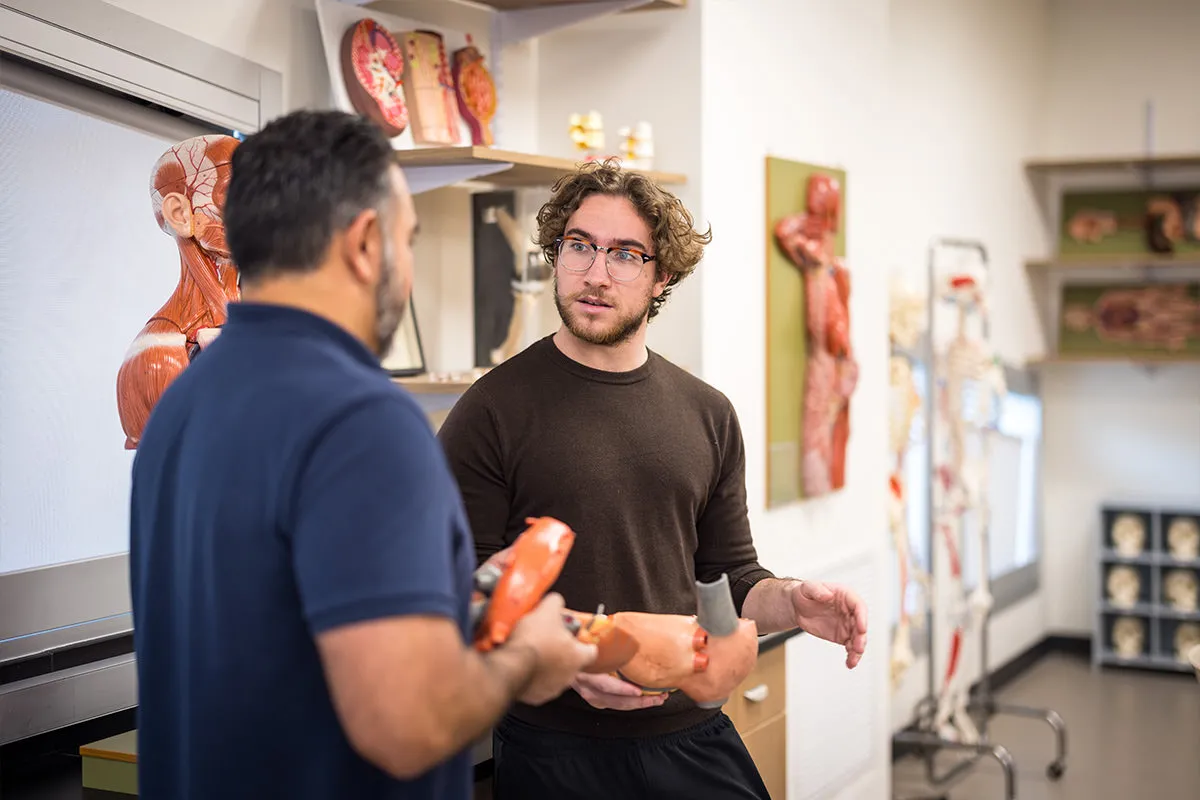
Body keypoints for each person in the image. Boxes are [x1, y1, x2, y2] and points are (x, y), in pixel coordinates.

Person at [127, 110, 596, 800]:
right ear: (368, 242)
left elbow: (266, 621)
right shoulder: (361, 420)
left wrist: (440, 597)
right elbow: (405, 725)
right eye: (408, 240)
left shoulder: (181, 404)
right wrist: (532, 657)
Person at [437, 160, 870, 799]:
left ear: (662, 273)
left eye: (625, 254)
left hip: (691, 739)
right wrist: (573, 657)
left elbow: (728, 579)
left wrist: (791, 601)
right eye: (579, 246)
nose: (595, 273)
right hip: (555, 748)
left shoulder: (707, 413)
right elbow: (457, 590)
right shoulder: (491, 410)